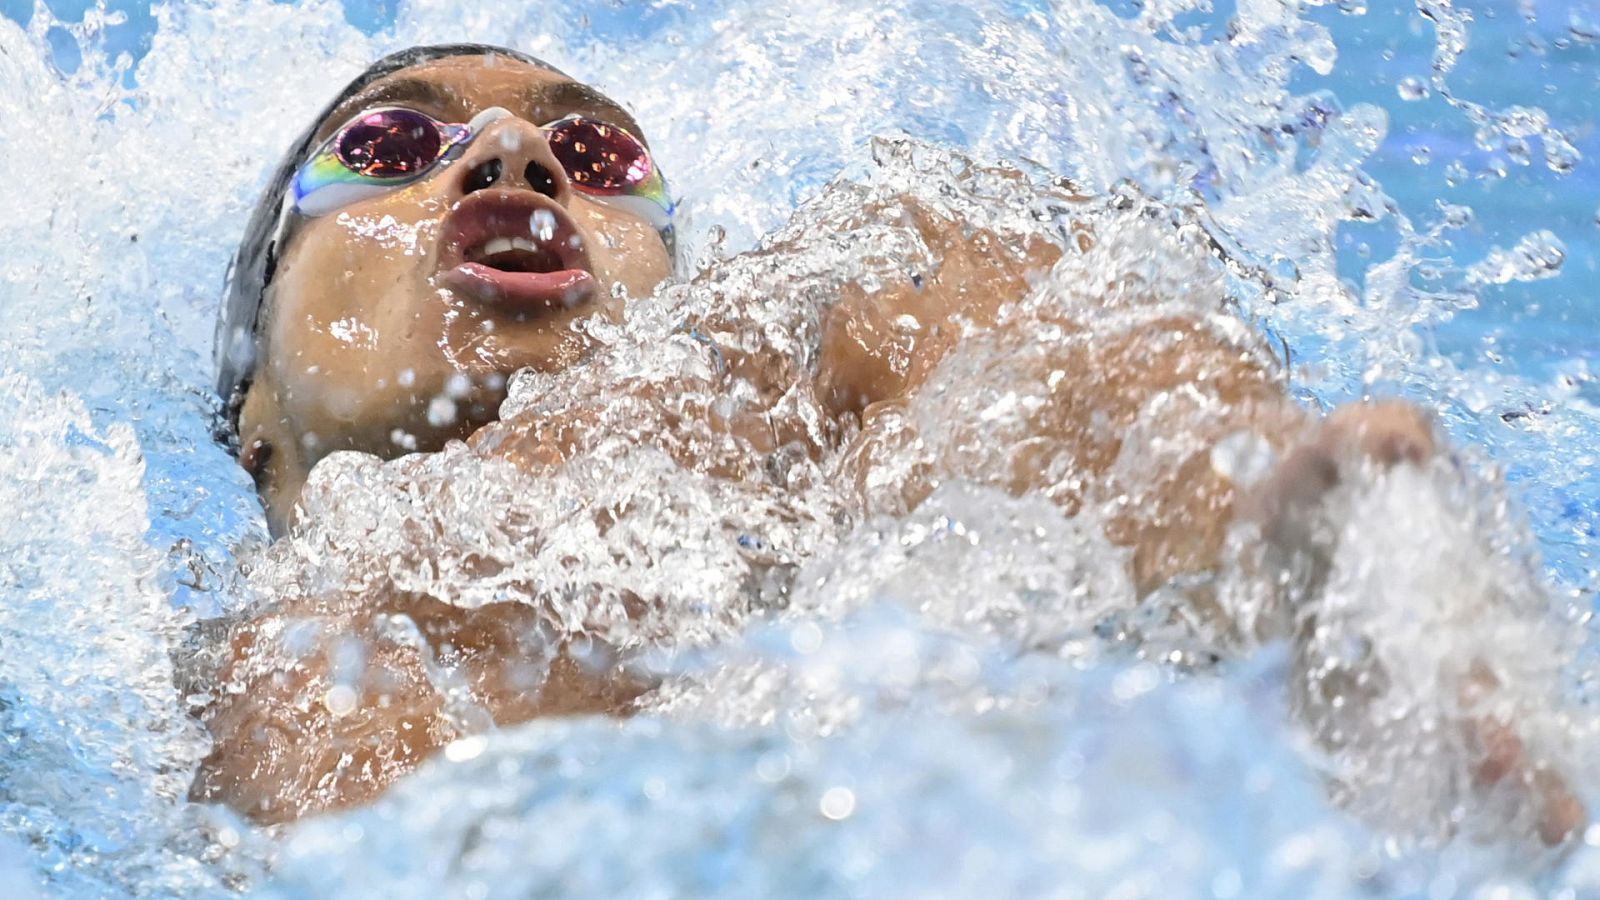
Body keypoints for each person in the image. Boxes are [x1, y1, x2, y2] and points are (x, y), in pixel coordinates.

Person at [195, 44, 1585, 843]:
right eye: (387, 145)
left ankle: (1269, 536)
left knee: (904, 250)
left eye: (604, 160)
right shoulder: (263, 654)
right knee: (310, 648)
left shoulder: (773, 386)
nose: (510, 149)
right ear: (251, 411)